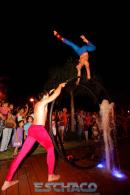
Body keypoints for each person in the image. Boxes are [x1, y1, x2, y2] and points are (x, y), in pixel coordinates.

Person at [1, 82, 66, 191]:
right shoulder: (43, 103)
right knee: (50, 149)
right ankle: (50, 175)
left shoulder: (38, 104)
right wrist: (60, 86)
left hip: (33, 129)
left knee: (21, 155)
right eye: (47, 96)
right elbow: (55, 95)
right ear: (45, 97)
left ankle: (6, 181)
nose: (48, 97)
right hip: (39, 130)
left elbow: (49, 96)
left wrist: (49, 92)